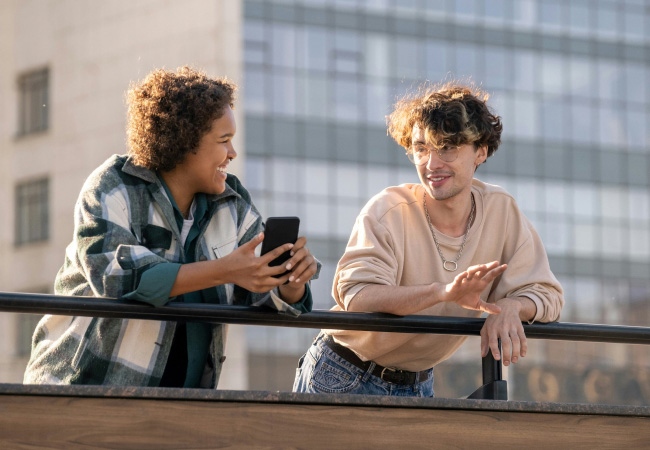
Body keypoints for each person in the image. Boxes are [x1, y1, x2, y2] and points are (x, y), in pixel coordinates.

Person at [24, 67, 318, 388]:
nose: (232, 153)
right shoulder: (113, 186)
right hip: (80, 390)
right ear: (185, 141)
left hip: (182, 405)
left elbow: (260, 290)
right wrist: (224, 270)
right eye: (224, 140)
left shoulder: (231, 202)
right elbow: (118, 280)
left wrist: (291, 280)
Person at [293, 82, 563, 397]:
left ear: (481, 150)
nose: (432, 164)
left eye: (447, 147)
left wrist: (511, 306)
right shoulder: (388, 210)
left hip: (419, 382)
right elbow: (358, 296)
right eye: (422, 148)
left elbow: (547, 295)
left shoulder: (501, 210)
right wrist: (443, 292)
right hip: (345, 372)